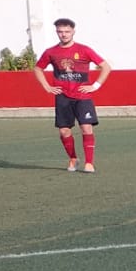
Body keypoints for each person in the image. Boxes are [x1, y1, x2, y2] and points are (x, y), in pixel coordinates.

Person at [32, 19, 110, 173]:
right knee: (64, 131)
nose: (64, 34)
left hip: (82, 96)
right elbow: (37, 68)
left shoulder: (84, 49)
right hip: (63, 97)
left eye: (67, 31)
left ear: (73, 31)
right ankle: (73, 158)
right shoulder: (51, 52)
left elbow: (105, 67)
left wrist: (95, 86)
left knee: (86, 127)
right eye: (60, 31)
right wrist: (47, 87)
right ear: (57, 32)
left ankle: (89, 163)